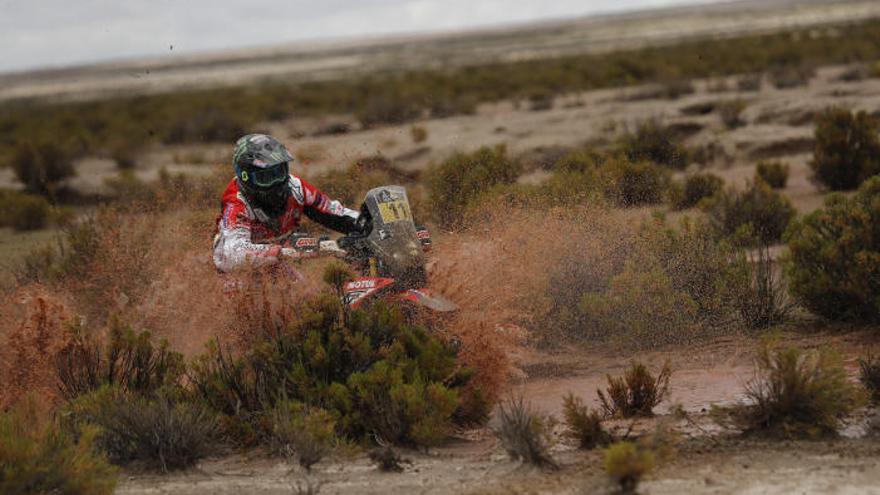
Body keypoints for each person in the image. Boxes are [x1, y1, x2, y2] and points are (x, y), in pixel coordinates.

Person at [213, 133, 363, 272]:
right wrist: (283, 250)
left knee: (304, 295)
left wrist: (368, 224)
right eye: (265, 177)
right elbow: (233, 253)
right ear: (245, 177)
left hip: (277, 264)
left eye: (279, 173)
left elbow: (336, 212)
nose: (276, 183)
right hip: (236, 272)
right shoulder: (236, 202)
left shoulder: (296, 187)